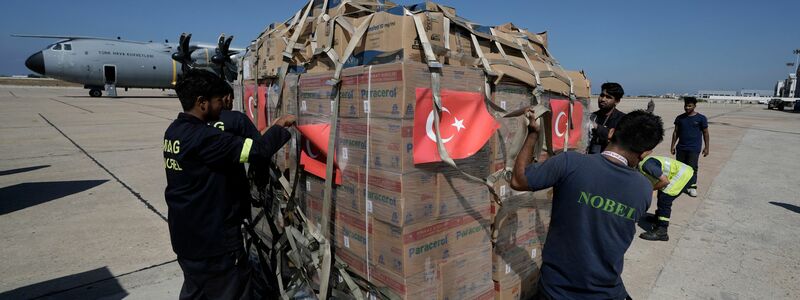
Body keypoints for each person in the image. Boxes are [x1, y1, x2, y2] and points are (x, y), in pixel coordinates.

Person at [163, 69, 295, 300]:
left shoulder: (174, 131)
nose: (223, 106)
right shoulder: (205, 138)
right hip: (213, 241)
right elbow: (259, 151)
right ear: (202, 103)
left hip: (186, 236)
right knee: (233, 291)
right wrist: (279, 127)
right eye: (217, 101)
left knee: (197, 292)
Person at [511, 110, 665, 299]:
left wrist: (533, 135)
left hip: (556, 290)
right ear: (645, 153)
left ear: (611, 133)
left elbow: (519, 181)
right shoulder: (643, 188)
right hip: (606, 291)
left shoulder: (570, 162)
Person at [637, 155, 694, 241]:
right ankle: (659, 218)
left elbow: (665, 181)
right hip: (680, 173)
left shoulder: (647, 165)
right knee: (661, 193)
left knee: (665, 199)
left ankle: (662, 231)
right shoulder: (643, 163)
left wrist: (651, 189)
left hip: (683, 175)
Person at [670, 96, 709, 197]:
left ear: (695, 106)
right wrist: (672, 145)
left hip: (694, 148)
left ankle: (692, 186)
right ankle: (680, 186)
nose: (687, 108)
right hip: (681, 147)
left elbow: (705, 133)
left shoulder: (701, 118)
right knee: (679, 168)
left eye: (689, 106)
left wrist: (707, 147)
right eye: (685, 105)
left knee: (692, 167)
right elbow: (675, 132)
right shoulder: (680, 118)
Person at [587, 82, 627, 154]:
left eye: (608, 97)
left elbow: (619, 139)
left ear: (617, 101)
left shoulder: (623, 119)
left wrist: (597, 127)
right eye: (602, 95)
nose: (603, 99)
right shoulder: (592, 116)